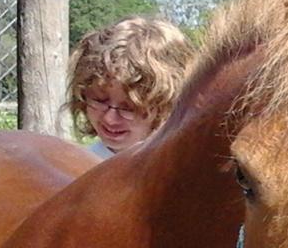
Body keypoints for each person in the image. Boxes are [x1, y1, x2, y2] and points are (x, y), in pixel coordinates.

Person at [67, 16, 195, 157]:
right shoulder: (77, 170)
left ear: (167, 106)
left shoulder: (184, 171)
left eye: (129, 107)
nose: (110, 118)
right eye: (99, 100)